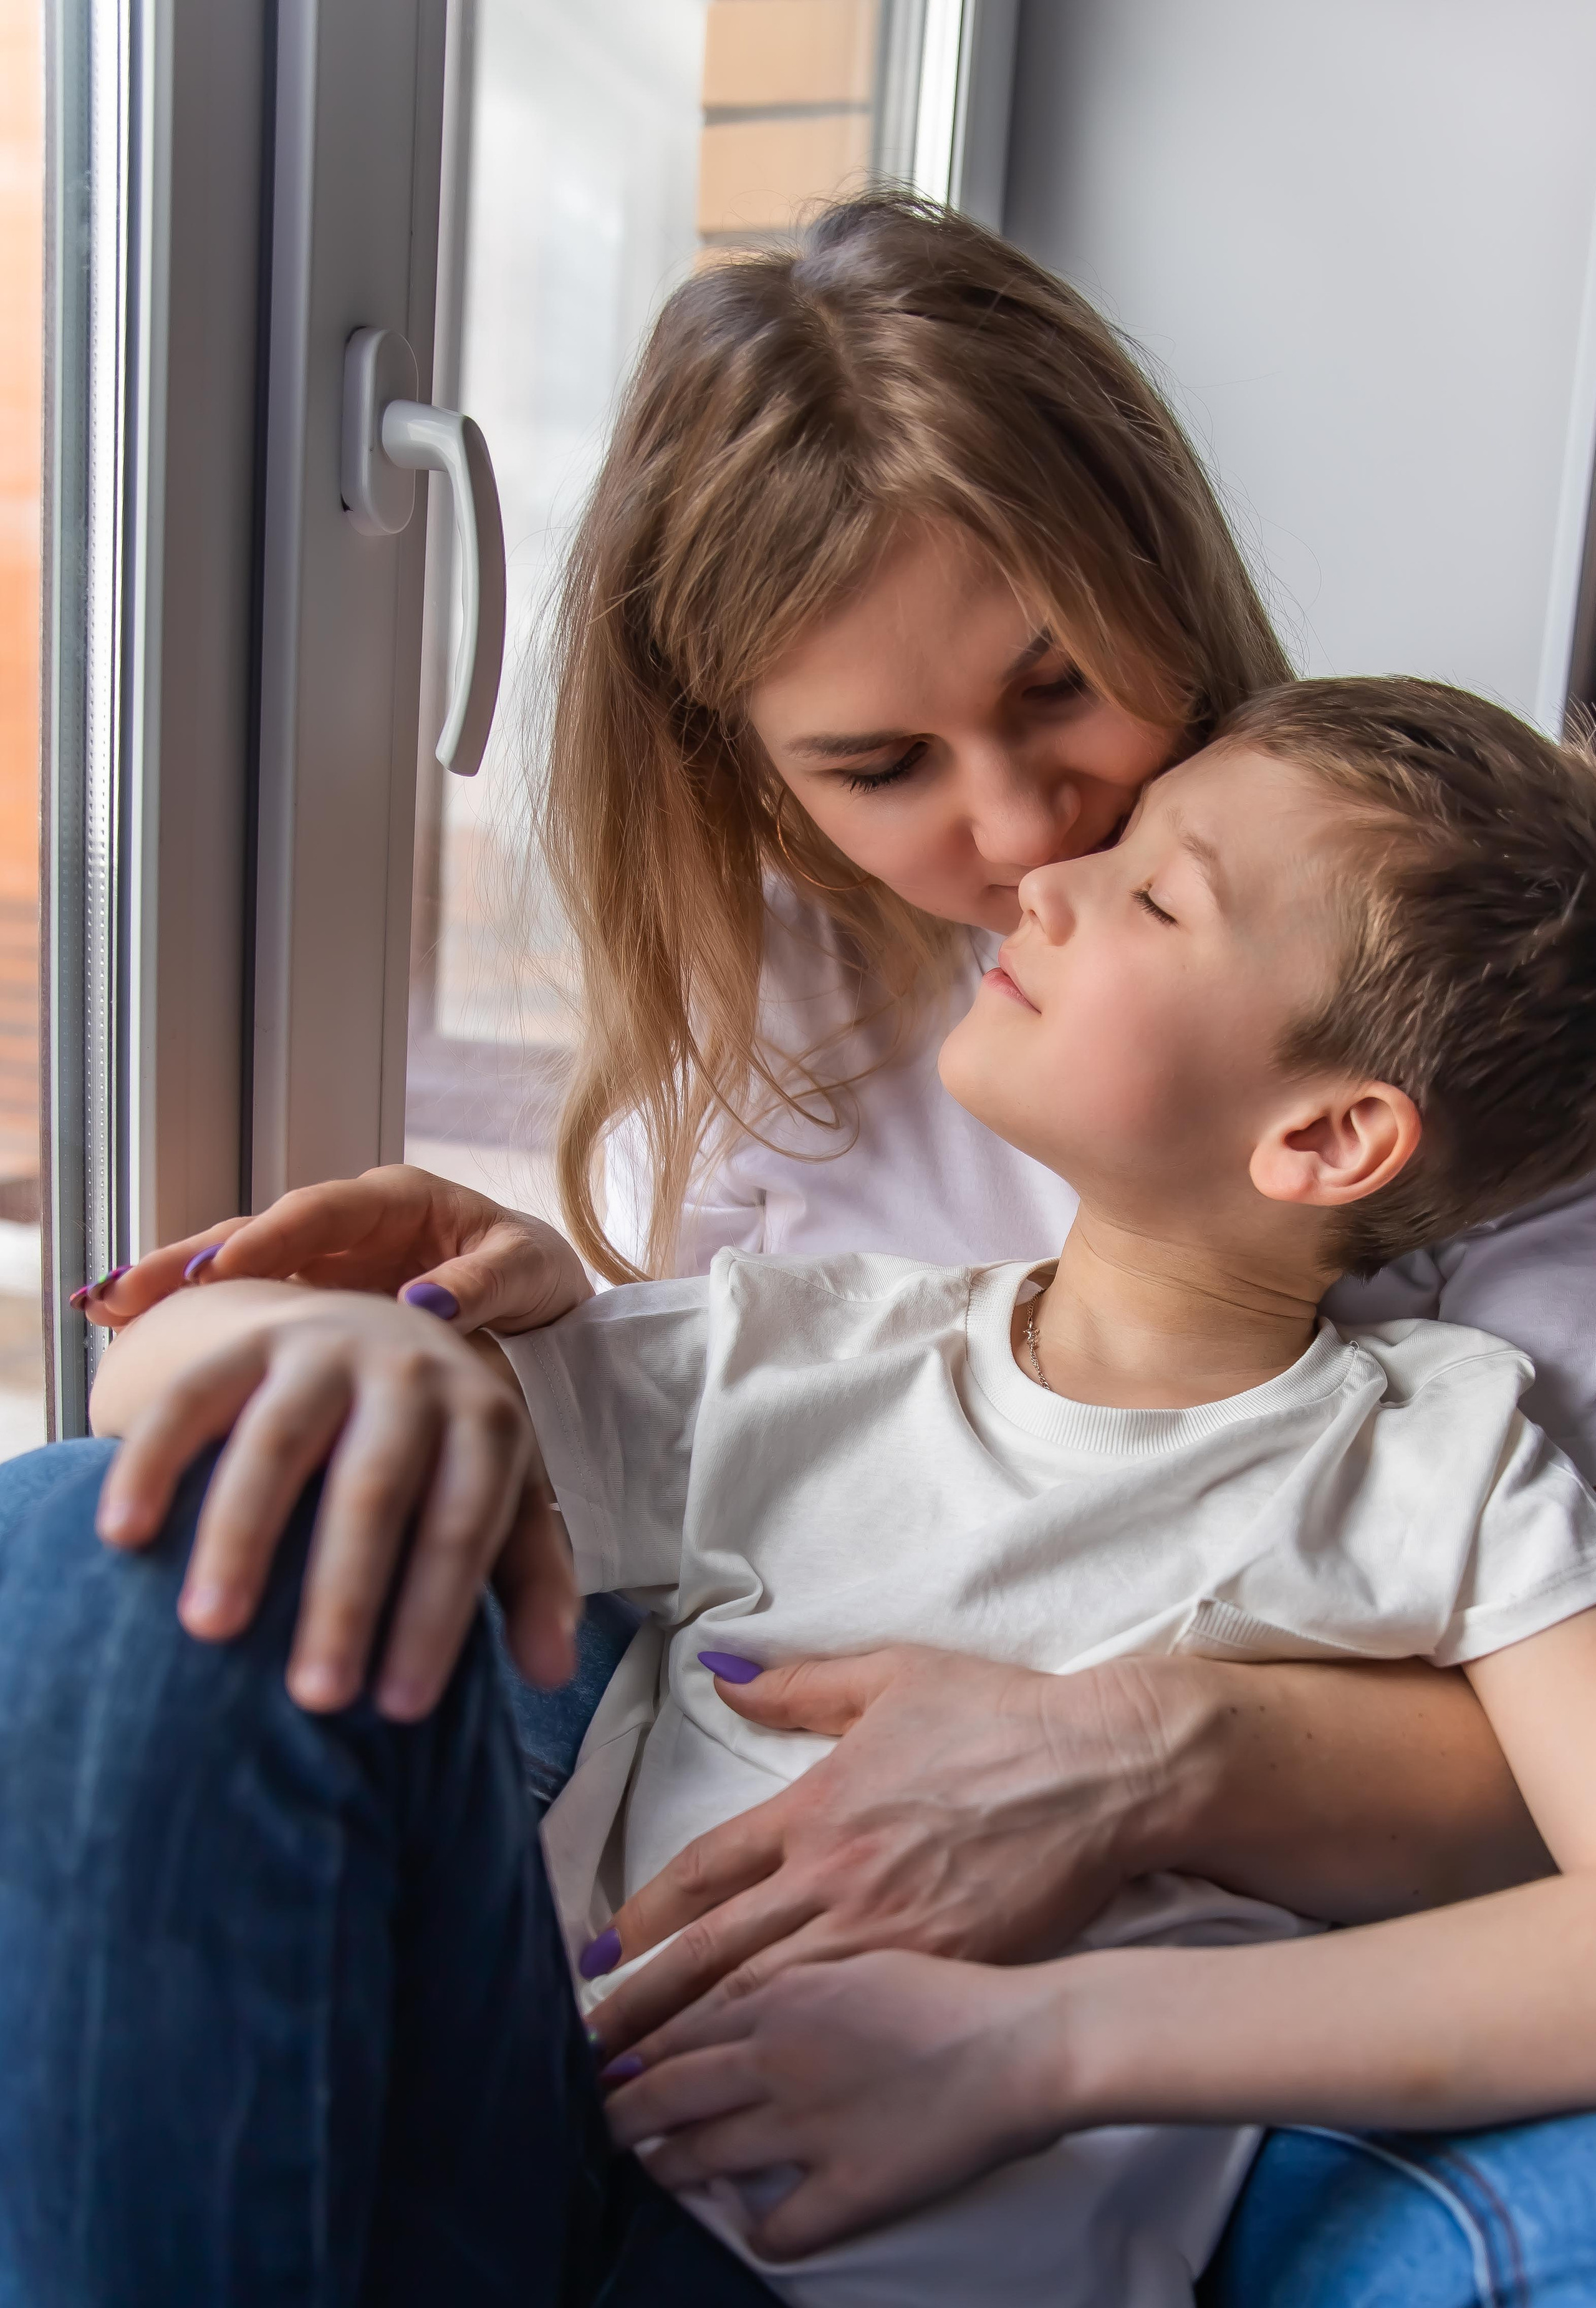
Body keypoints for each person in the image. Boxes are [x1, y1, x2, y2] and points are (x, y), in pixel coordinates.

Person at [71, 198, 1596, 2295]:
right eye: (880, 768)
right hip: (606, 2063)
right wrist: (380, 1354)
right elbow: (180, 1417)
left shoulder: (1438, 1080)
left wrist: (1118, 1829)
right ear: (768, 788)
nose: (1030, 845)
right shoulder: (832, 1292)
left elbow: (1544, 1807)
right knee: (92, 1567)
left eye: (1062, 692)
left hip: (1073, 2097)